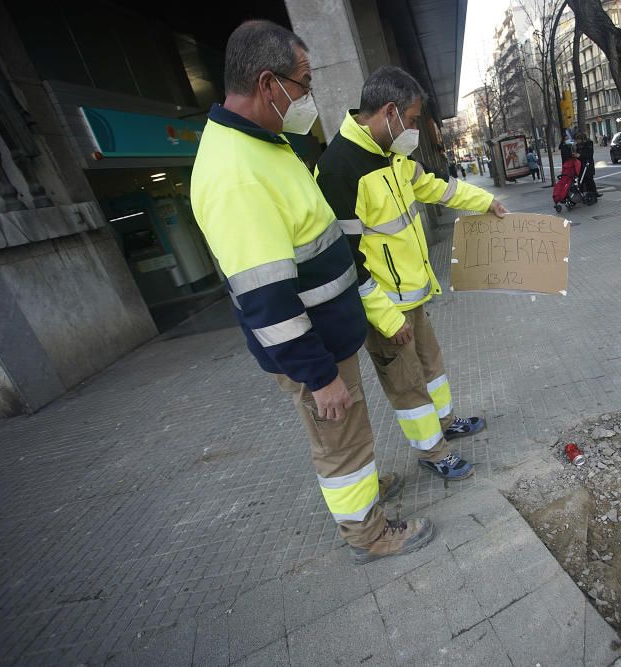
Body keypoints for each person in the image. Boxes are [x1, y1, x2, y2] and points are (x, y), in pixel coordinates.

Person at [190, 20, 431, 564]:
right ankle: (368, 536)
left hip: (331, 336)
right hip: (314, 350)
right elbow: (264, 299)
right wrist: (318, 376)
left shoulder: (270, 146)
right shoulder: (235, 172)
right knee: (339, 444)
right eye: (303, 83)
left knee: (350, 437)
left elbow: (325, 245)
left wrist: (372, 306)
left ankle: (363, 497)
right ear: (268, 83)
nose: (308, 97)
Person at [316, 66, 508, 484]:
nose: (415, 128)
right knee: (406, 385)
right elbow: (345, 257)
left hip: (414, 297)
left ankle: (446, 421)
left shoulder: (392, 156)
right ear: (390, 112)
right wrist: (385, 317)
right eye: (414, 118)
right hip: (384, 308)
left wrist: (485, 202)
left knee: (431, 366)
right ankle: (432, 452)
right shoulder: (338, 168)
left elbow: (438, 187)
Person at [575, 132, 598, 199]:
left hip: (588, 165)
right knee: (582, 180)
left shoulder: (588, 144)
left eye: (578, 140)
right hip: (581, 166)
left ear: (582, 139)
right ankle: (584, 194)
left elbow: (589, 155)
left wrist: (580, 155)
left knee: (589, 180)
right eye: (577, 140)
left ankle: (594, 194)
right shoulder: (578, 146)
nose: (577, 141)